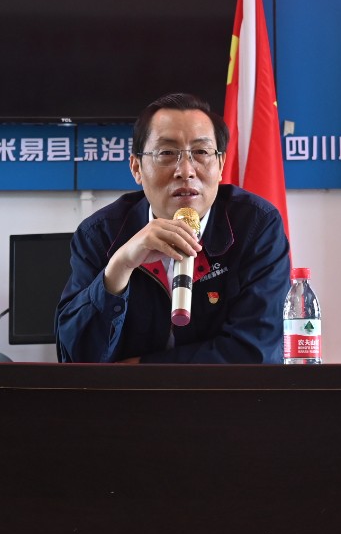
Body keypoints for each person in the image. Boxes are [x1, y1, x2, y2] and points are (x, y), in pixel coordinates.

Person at [55, 92, 291, 363]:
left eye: (201, 152)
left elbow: (256, 352)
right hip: (126, 394)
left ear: (221, 165)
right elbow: (76, 359)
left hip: (216, 394)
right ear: (136, 167)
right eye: (167, 153)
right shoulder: (99, 234)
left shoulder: (255, 225)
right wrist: (119, 268)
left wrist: (142, 370)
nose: (186, 170)